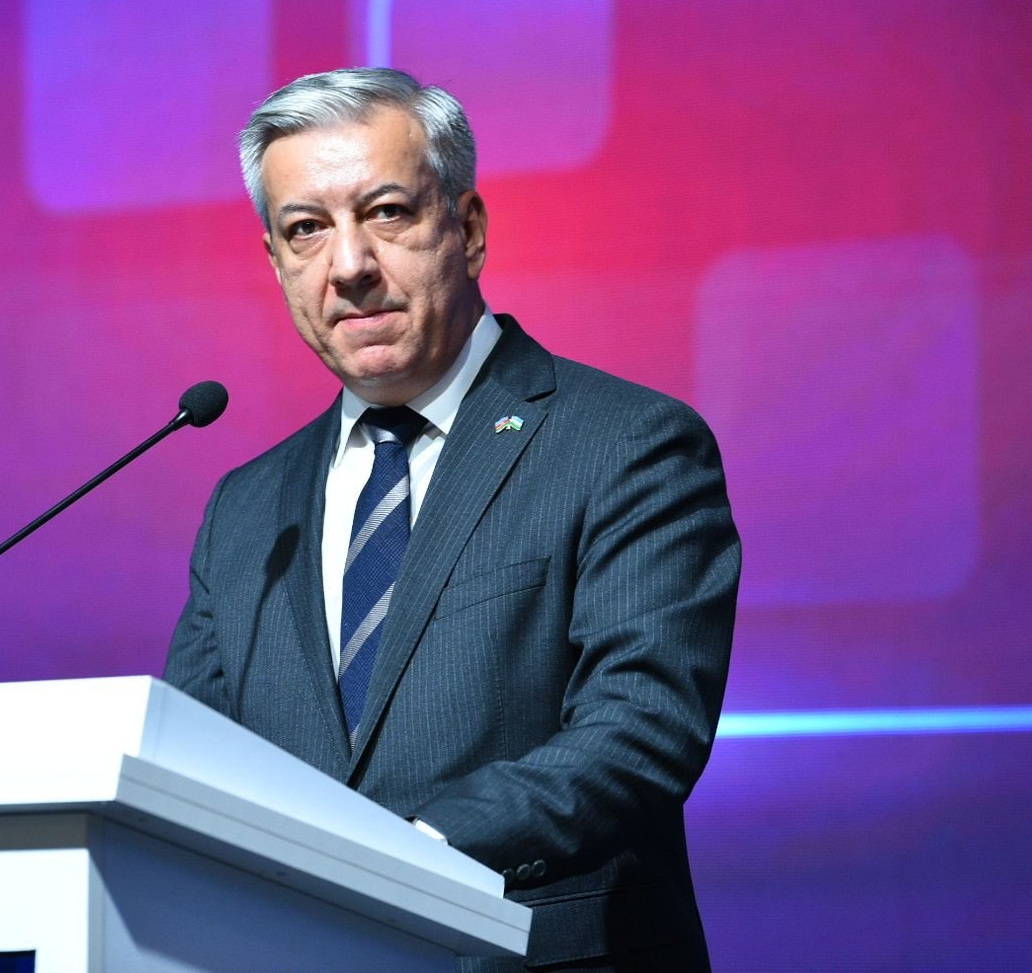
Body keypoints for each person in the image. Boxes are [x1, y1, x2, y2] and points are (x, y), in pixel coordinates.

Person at [164, 67, 740, 972]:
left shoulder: (625, 444)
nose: (349, 267)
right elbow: (188, 766)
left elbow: (640, 729)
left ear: (467, 231)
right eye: (306, 230)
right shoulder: (246, 510)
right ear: (275, 262)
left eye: (387, 213)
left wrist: (402, 855)